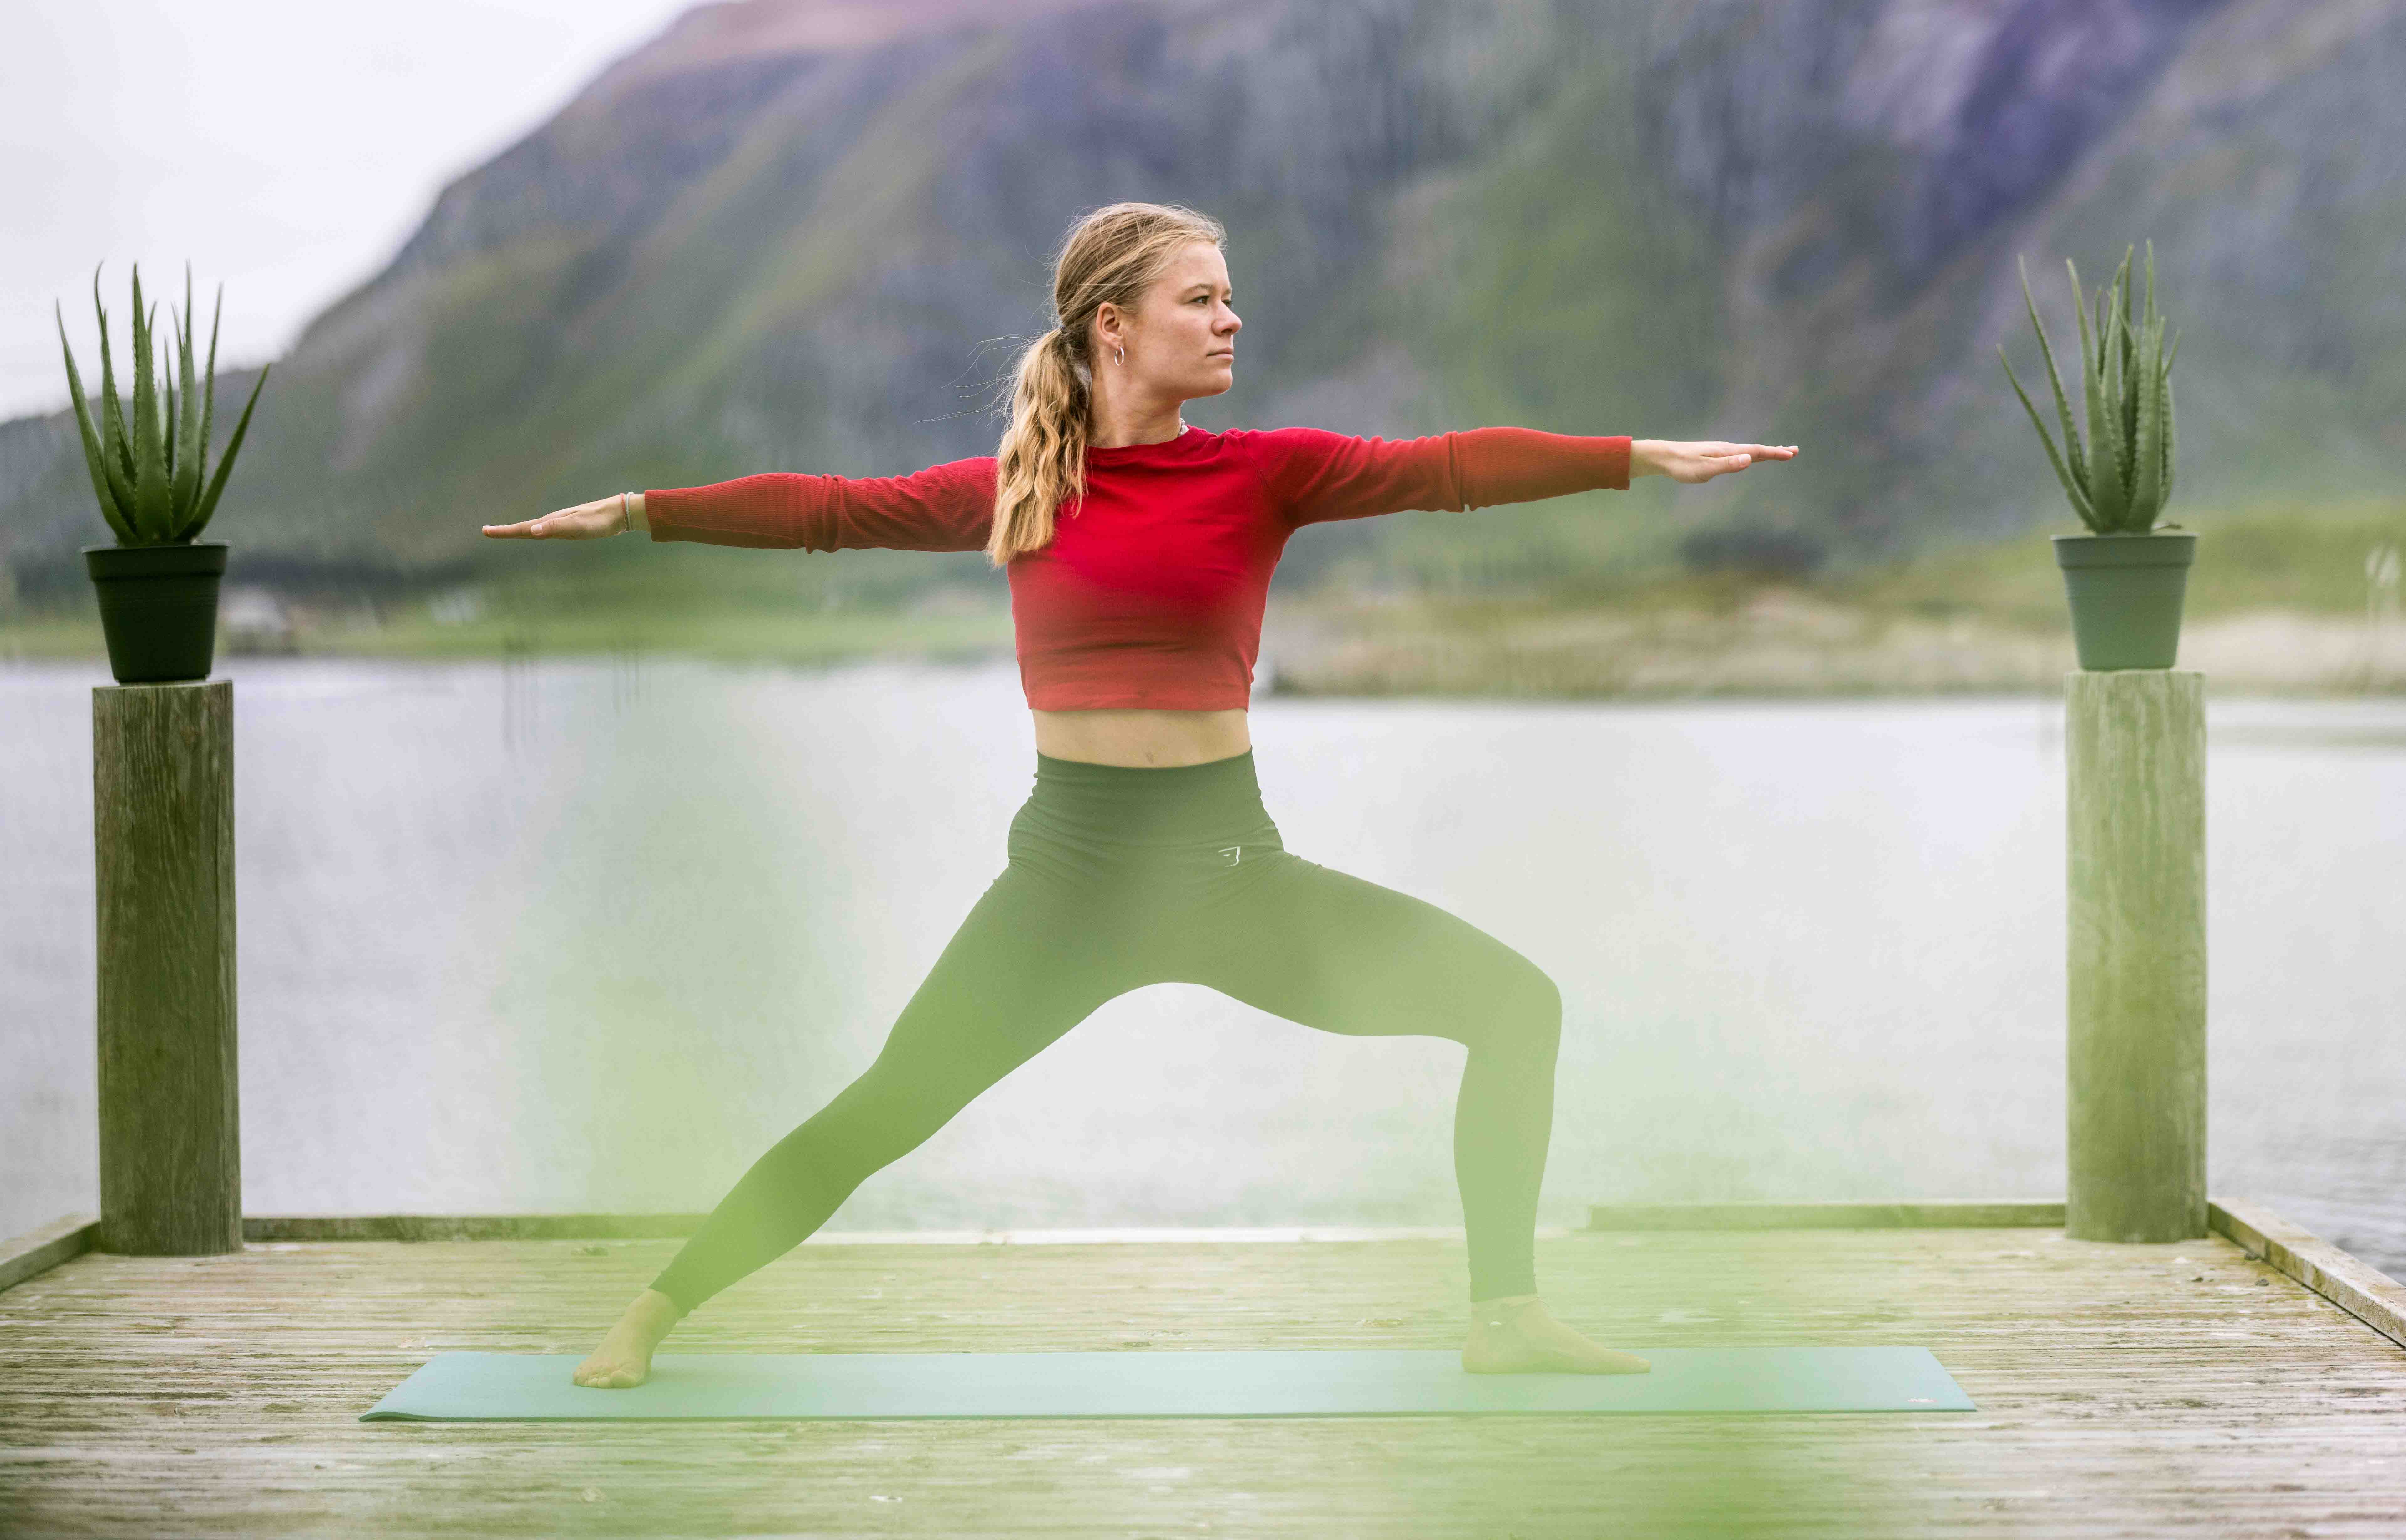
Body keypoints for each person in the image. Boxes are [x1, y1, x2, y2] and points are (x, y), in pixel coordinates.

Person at [480, 200, 1797, 1388]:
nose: (1231, 320)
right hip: (1065, 884)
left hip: (1231, 879)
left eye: (1230, 299)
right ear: (1113, 326)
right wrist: (640, 512)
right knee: (886, 1108)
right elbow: (826, 508)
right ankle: (654, 1312)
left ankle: (1503, 1316)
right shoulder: (1020, 490)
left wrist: (1632, 456)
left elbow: (1441, 468)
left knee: (1516, 1006)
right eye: (1200, 298)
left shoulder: (1262, 471)